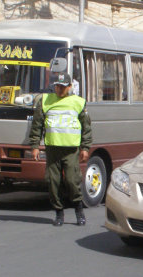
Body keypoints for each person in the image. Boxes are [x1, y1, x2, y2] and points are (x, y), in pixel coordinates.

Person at [29, 72, 92, 227]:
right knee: (52, 182)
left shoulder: (78, 102)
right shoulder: (45, 101)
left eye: (63, 87)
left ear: (70, 87)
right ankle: (59, 212)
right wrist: (35, 146)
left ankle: (78, 209)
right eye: (57, 86)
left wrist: (85, 148)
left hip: (70, 150)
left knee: (72, 181)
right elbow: (37, 125)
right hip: (52, 149)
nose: (59, 89)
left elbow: (86, 128)